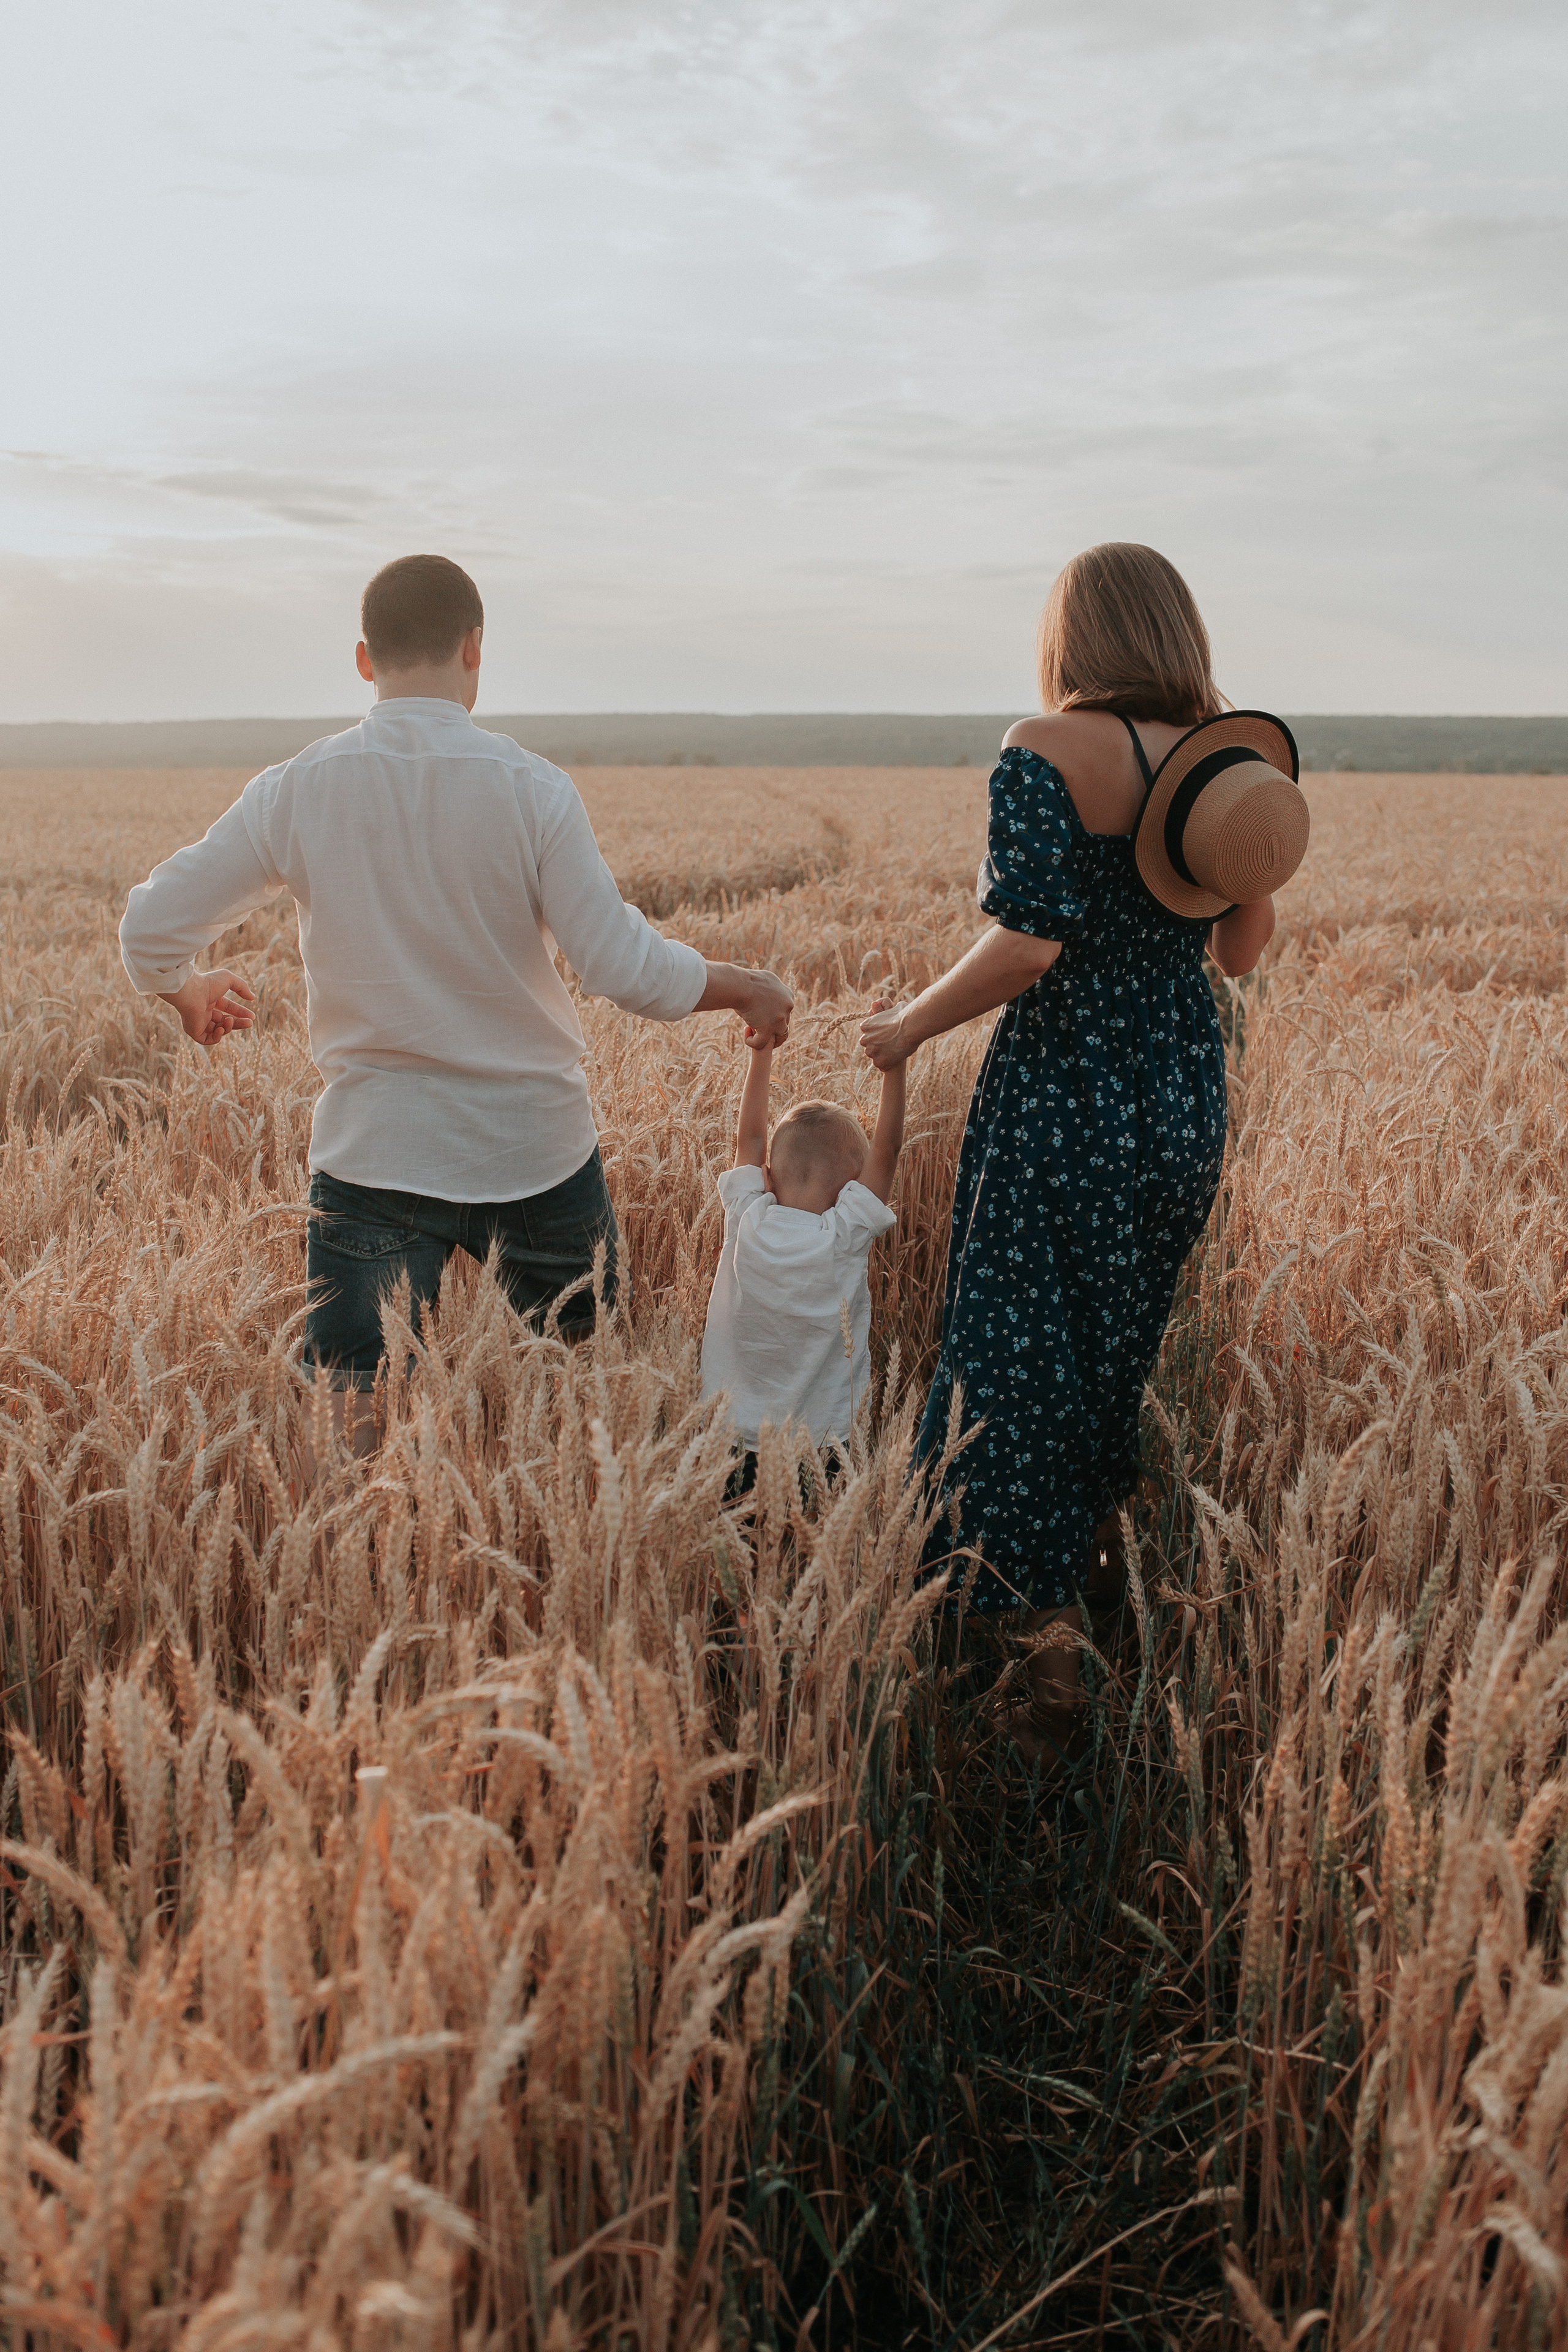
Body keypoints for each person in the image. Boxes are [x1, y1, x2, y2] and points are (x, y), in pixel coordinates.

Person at [118, 553, 793, 1463]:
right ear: (477, 650)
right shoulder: (533, 788)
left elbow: (150, 927)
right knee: (584, 1405)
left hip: (373, 1152)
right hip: (536, 1149)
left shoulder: (300, 787)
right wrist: (744, 984)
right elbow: (624, 968)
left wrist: (186, 991)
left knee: (350, 1421)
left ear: (365, 660)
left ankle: (355, 1591)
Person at [861, 543, 1286, 1755]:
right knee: (1108, 1348)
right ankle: (1092, 1576)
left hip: (1062, 1092)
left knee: (1006, 1360)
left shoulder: (1042, 748)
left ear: (1072, 639)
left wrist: (907, 1025)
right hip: (1178, 1094)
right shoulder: (1231, 761)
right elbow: (1240, 954)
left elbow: (1029, 942)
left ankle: (1033, 1653)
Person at [701, 1007, 907, 1474]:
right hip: (822, 1443)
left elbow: (750, 1139)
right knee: (812, 1547)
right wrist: (895, 1065)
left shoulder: (746, 1217)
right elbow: (889, 1150)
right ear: (852, 1189)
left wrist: (762, 1053)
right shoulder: (844, 1235)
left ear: (768, 1175)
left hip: (727, 1435)